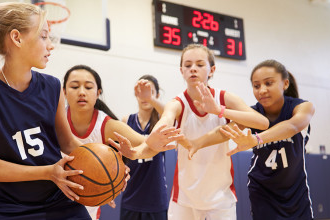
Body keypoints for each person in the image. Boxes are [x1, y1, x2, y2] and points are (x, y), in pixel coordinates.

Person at [0, 3, 94, 219]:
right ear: (17, 38)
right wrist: (47, 172)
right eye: (44, 36)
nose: (51, 45)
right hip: (6, 206)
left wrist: (109, 165)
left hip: (57, 201)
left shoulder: (53, 86)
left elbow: (68, 143)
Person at [112, 43, 270, 220]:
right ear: (181, 71)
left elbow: (262, 122)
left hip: (220, 198)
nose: (193, 69)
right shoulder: (178, 102)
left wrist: (219, 110)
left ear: (212, 70)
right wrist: (139, 150)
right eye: (188, 65)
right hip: (184, 200)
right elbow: (165, 120)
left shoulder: (225, 98)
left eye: (200, 64)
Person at [62, 65, 184, 220]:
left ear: (98, 93)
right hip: (54, 200)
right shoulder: (55, 119)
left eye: (88, 87)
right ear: (64, 91)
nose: (81, 92)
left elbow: (157, 136)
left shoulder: (108, 125)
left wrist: (116, 172)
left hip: (152, 194)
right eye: (74, 86)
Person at [219, 59, 315, 219]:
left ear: (285, 83)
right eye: (256, 86)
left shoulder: (302, 107)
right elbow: (222, 132)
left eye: (268, 83)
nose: (262, 90)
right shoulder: (253, 114)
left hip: (296, 191)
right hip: (263, 190)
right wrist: (219, 112)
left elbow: (292, 127)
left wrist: (256, 139)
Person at [119, 75, 168, 220]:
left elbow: (170, 113)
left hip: (156, 198)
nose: (145, 96)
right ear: (136, 94)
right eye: (141, 91)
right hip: (131, 196)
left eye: (150, 92)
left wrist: (151, 99)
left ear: (157, 95)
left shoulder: (162, 120)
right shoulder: (126, 120)